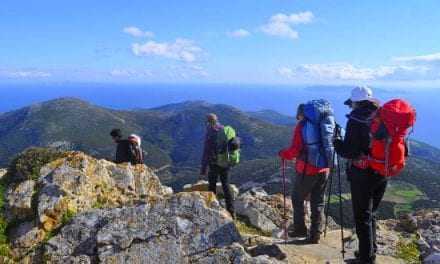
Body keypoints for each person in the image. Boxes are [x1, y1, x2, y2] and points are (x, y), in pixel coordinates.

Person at [333, 86, 383, 264]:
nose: (350, 107)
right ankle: (369, 252)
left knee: (362, 217)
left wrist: (336, 142)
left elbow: (350, 151)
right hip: (382, 171)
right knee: (371, 214)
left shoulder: (356, 120)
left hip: (363, 174)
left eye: (351, 103)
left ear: (355, 102)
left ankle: (366, 260)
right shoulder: (381, 115)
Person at [279, 101, 335, 244]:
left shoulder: (302, 127)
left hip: (307, 170)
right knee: (318, 201)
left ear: (301, 114)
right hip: (324, 169)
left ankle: (300, 229)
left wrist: (283, 153)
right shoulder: (323, 124)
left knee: (297, 198)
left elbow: (295, 150)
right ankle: (315, 234)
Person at [200, 113, 235, 218]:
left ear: (208, 122)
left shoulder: (210, 132)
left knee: (212, 186)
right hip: (226, 163)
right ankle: (232, 212)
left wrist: (203, 169)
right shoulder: (225, 130)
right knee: (226, 186)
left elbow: (206, 152)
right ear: (217, 120)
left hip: (214, 164)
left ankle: (212, 209)